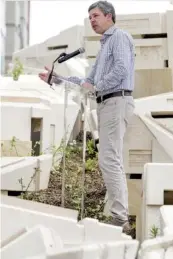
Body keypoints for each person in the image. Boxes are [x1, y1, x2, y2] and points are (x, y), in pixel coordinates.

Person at [39, 1, 135, 235]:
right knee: (110, 160)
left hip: (116, 100)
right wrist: (57, 78)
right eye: (89, 17)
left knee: (109, 160)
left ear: (109, 16)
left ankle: (120, 219)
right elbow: (86, 83)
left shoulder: (119, 37)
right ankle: (118, 216)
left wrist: (96, 88)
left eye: (95, 16)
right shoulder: (104, 47)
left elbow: (121, 69)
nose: (92, 20)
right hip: (106, 103)